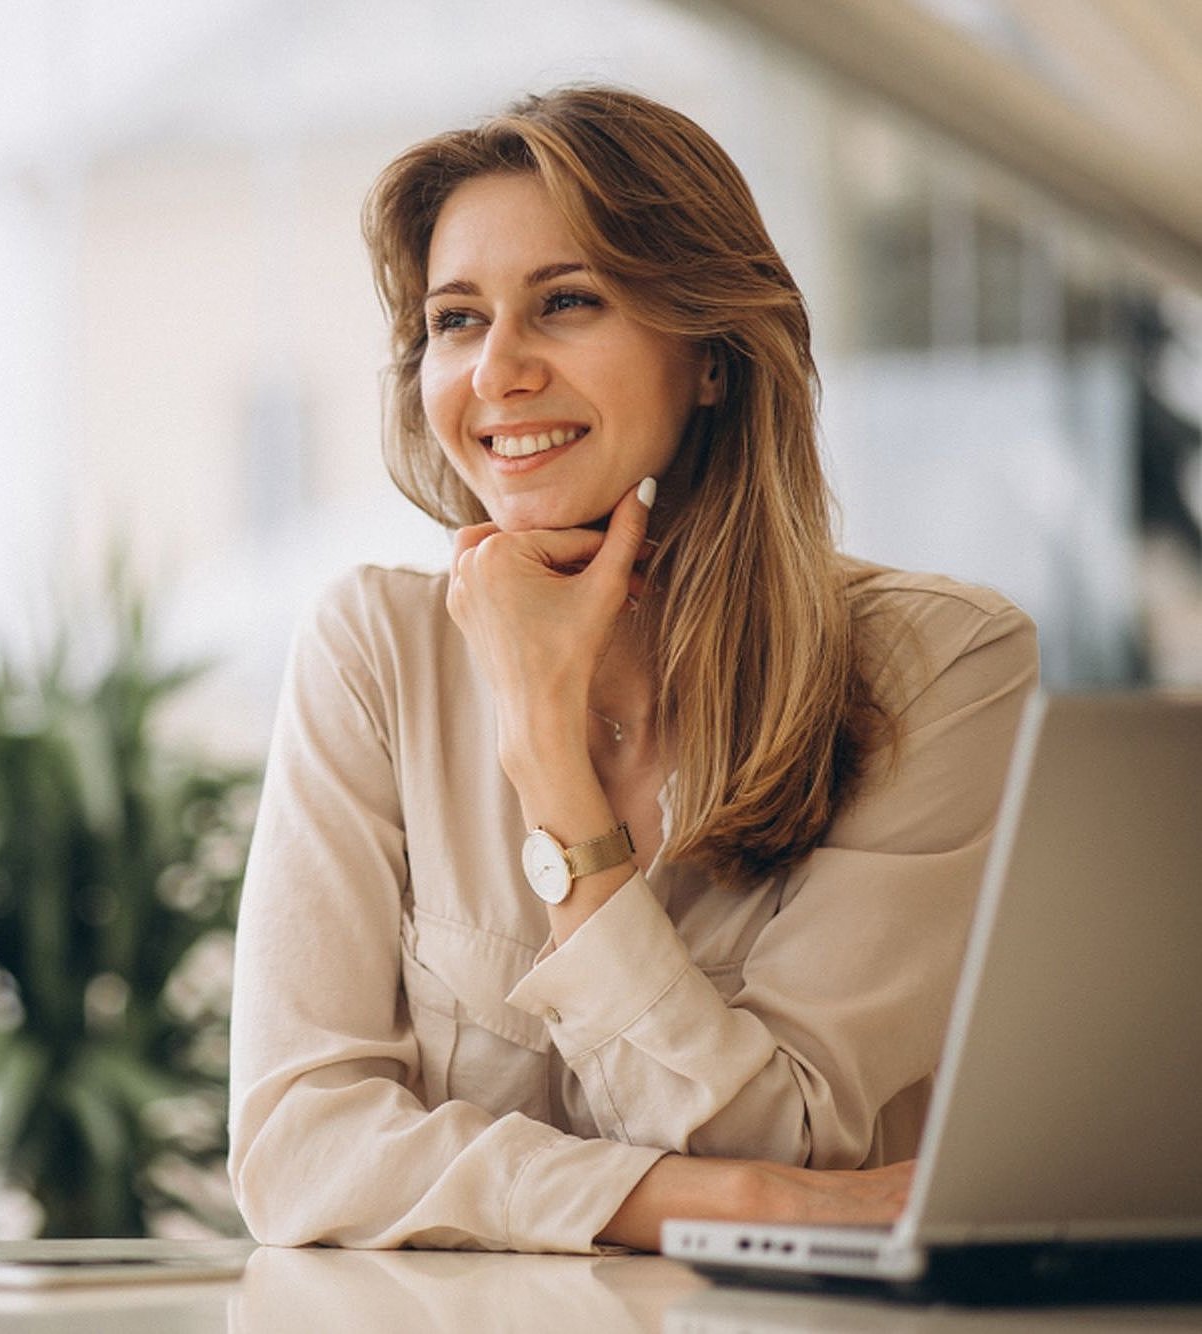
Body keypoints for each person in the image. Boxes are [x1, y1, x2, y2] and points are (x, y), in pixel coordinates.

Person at [227, 86, 1038, 1253]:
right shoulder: (373, 652)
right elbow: (297, 1149)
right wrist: (728, 1203)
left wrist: (549, 758)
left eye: (565, 303)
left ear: (709, 355)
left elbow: (789, 1140)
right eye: (457, 321)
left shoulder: (941, 665)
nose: (497, 372)